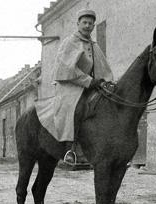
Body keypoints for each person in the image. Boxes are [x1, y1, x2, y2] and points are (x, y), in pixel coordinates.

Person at [50, 9, 113, 164]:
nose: (87, 26)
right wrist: (88, 81)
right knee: (76, 109)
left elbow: (102, 67)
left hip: (91, 86)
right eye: (84, 22)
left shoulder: (94, 45)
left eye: (90, 23)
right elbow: (66, 69)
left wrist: (106, 81)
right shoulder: (70, 42)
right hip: (71, 86)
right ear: (78, 23)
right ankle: (69, 149)